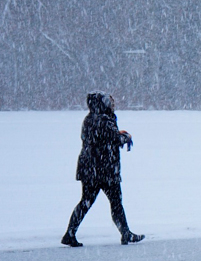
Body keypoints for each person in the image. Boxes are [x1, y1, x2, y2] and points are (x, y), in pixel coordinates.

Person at [62, 91, 144, 247]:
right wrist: (126, 137)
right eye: (109, 102)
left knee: (86, 202)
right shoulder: (104, 120)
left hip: (89, 168)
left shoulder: (89, 119)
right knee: (115, 202)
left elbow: (100, 138)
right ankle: (125, 233)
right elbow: (114, 139)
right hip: (104, 169)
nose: (112, 105)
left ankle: (70, 233)